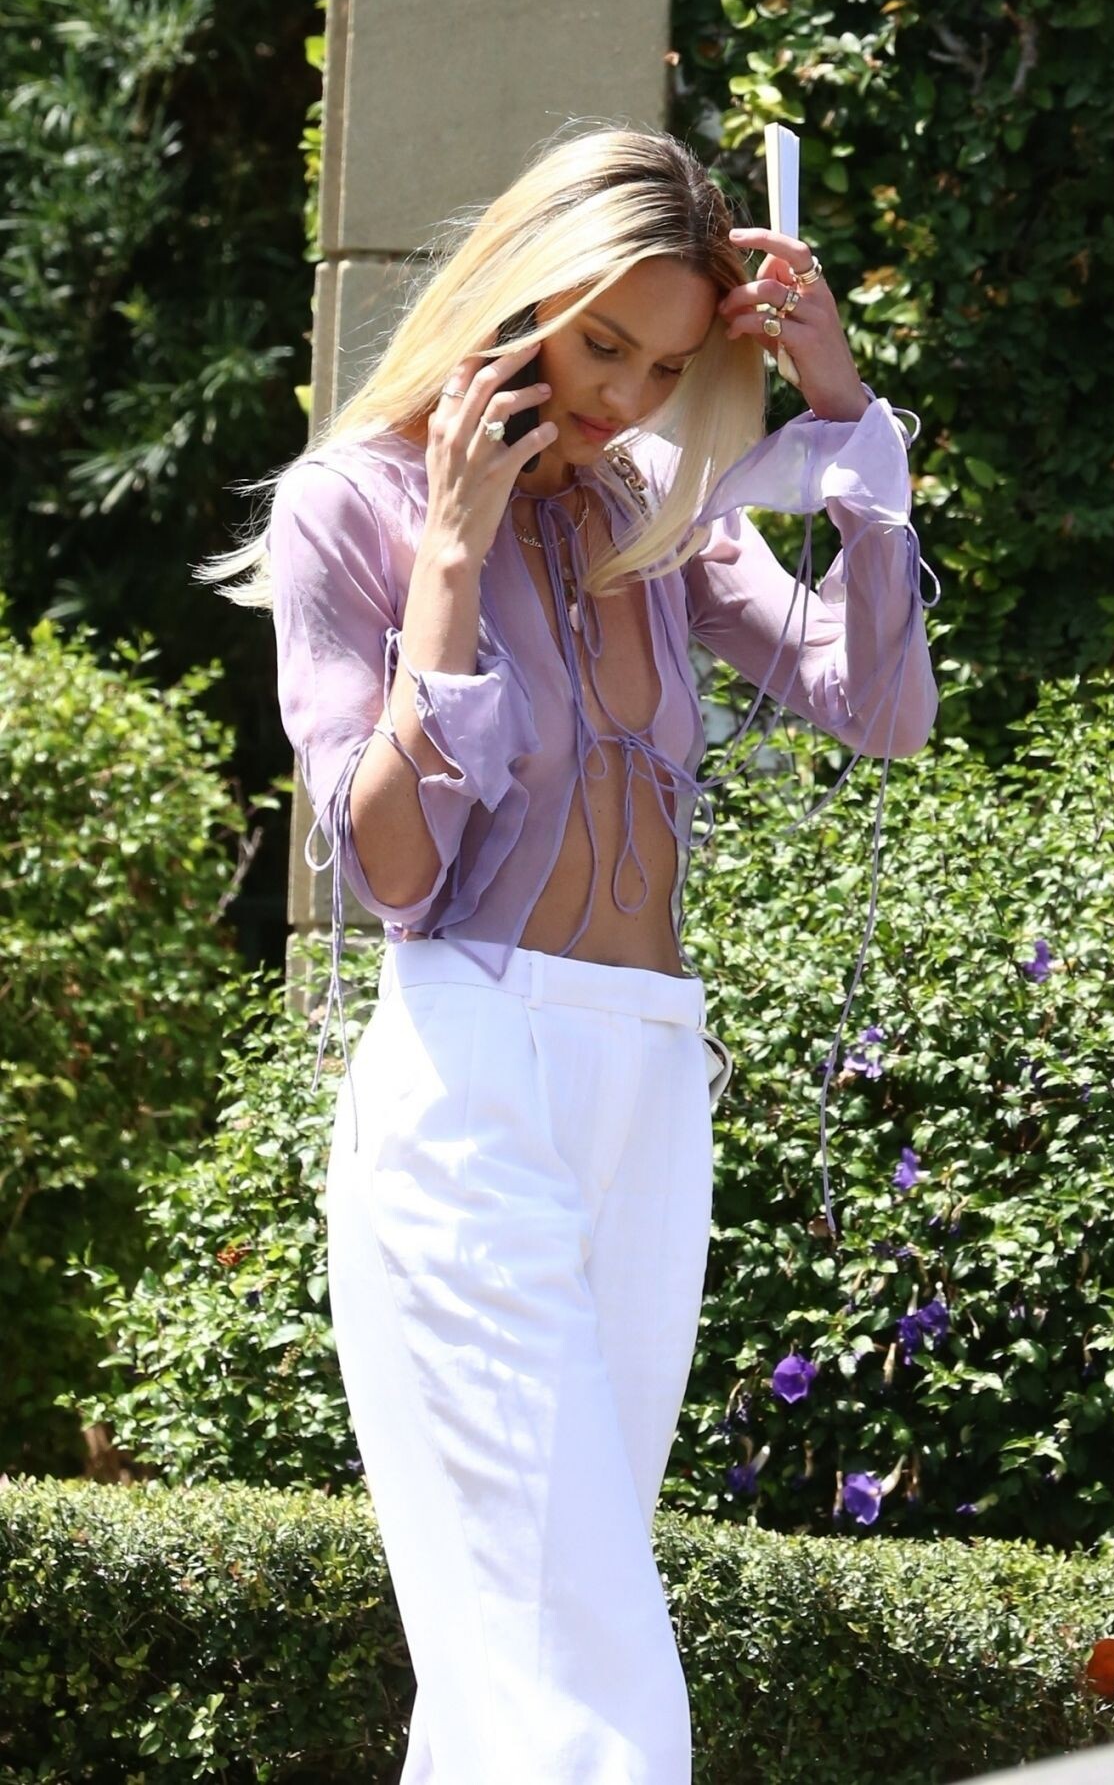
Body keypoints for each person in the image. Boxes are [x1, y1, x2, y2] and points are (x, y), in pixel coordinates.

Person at [202, 122, 937, 1783]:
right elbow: (395, 870)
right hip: (476, 1082)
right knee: (581, 1663)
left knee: (513, 1669)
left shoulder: (652, 507)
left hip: (649, 1088)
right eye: (602, 342)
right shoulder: (352, 509)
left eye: (665, 366)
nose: (624, 394)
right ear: (522, 287)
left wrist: (843, 421)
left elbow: (880, 709)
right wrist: (452, 568)